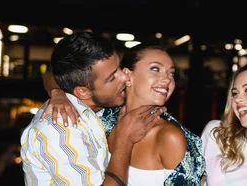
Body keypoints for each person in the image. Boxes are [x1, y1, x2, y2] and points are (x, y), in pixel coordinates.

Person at [41, 43, 205, 185]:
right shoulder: (104, 116)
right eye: (156, 69)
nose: (167, 79)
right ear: (127, 75)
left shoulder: (170, 136)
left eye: (171, 73)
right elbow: (53, 75)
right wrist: (58, 94)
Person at [20, 32, 165, 186]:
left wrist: (56, 91)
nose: (124, 76)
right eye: (112, 77)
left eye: (119, 67)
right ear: (83, 92)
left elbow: (51, 75)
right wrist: (125, 141)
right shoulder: (59, 130)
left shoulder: (97, 107)